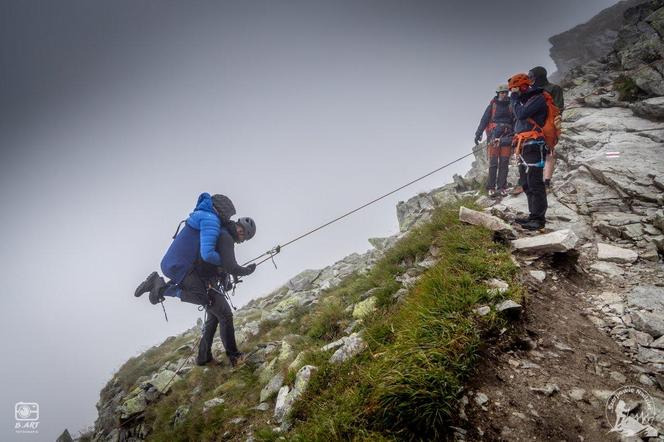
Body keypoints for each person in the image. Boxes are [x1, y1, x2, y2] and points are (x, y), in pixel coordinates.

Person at [134, 193, 257, 367]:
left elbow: (210, 256)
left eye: (244, 235)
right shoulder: (214, 223)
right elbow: (208, 255)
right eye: (241, 230)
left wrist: (226, 273)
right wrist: (238, 269)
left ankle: (203, 358)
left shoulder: (214, 224)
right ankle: (235, 357)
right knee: (222, 312)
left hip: (185, 268)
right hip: (184, 268)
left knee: (215, 315)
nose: (241, 234)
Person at [508, 73, 548, 230]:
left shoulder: (537, 98)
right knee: (525, 182)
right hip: (523, 144)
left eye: (516, 88)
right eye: (512, 90)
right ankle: (533, 216)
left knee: (535, 181)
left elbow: (521, 114)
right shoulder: (524, 100)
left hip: (534, 144)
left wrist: (514, 98)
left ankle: (539, 219)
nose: (514, 92)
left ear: (524, 85)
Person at [474, 84, 515, 196]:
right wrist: (478, 134)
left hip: (507, 136)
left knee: (504, 162)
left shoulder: (512, 104)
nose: (504, 94)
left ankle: (502, 187)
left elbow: (515, 121)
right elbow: (484, 120)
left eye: (506, 92)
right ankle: (491, 187)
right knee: (493, 163)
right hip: (493, 136)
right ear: (498, 94)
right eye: (502, 93)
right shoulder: (492, 105)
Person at [528, 66, 564, 188]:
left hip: (549, 122)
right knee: (536, 152)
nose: (530, 79)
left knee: (549, 151)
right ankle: (538, 179)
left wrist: (556, 122)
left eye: (531, 76)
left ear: (538, 76)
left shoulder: (554, 88)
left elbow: (559, 107)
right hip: (535, 125)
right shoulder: (530, 91)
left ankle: (546, 180)